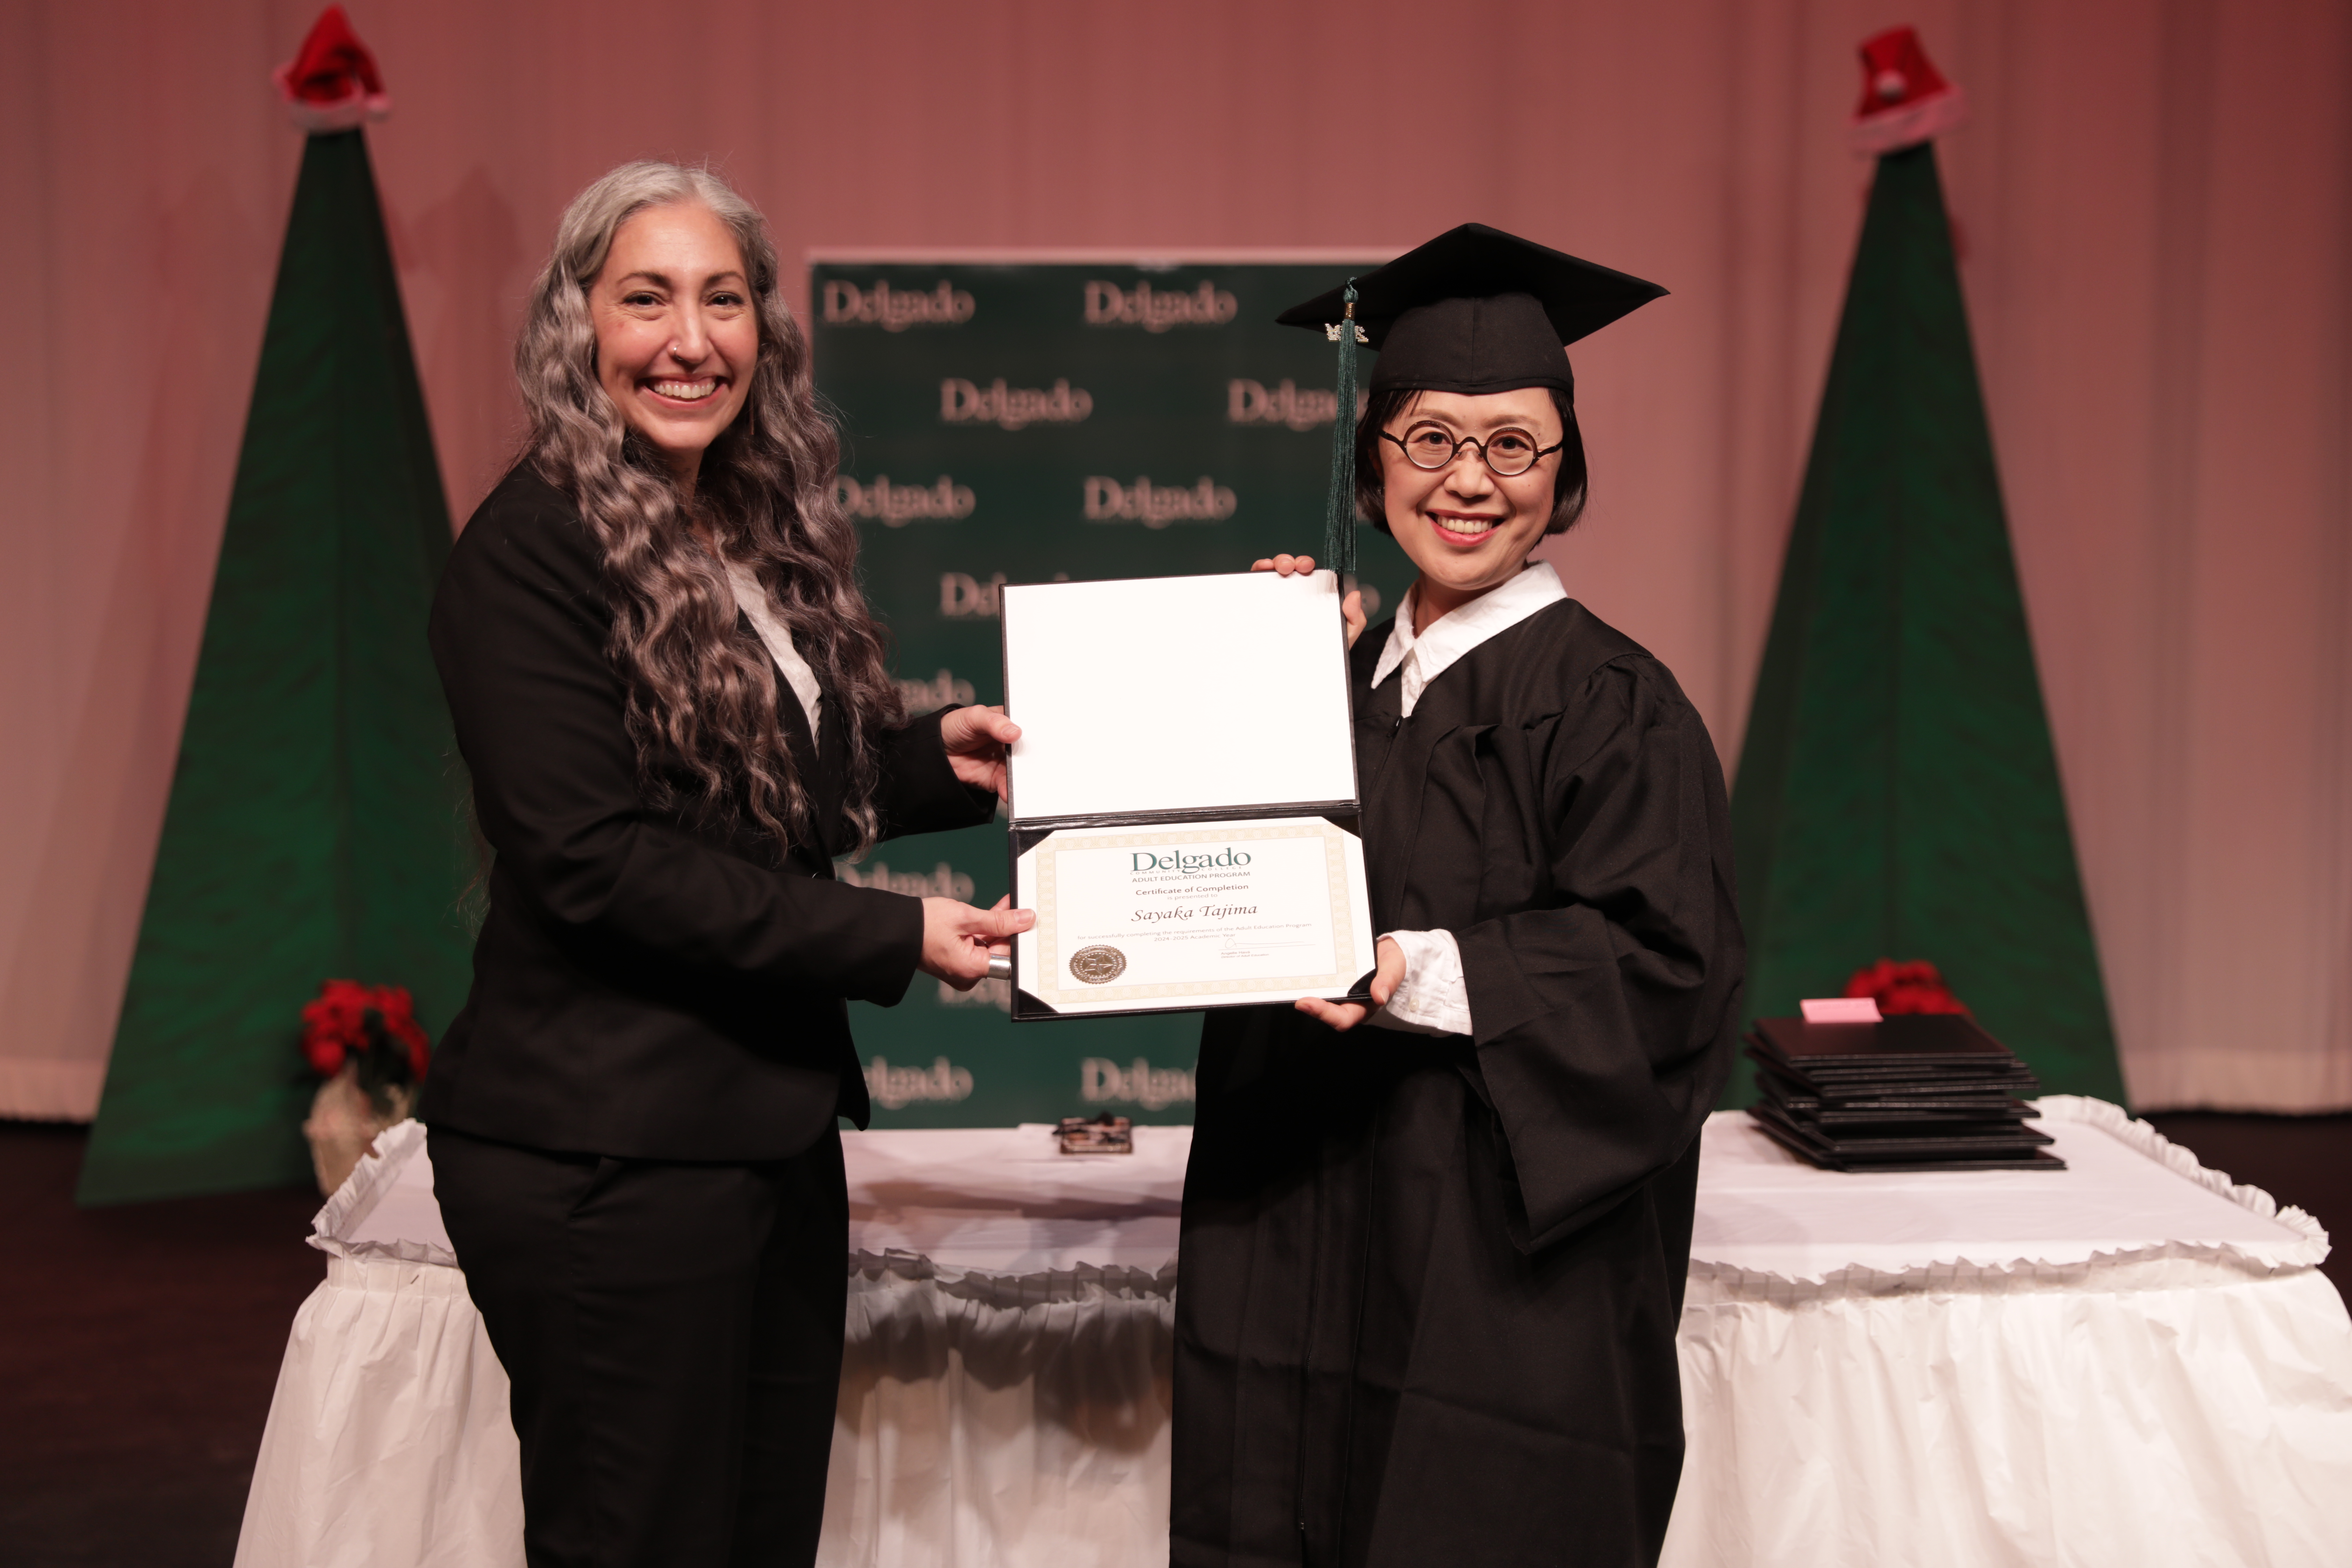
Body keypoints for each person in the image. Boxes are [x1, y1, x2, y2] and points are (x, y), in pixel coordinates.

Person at [420, 161, 1030, 1568]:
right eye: (646, 298)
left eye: (724, 298)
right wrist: (892, 936)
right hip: (605, 1153)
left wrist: (948, 759)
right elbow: (601, 865)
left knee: (755, 1540)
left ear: (766, 330)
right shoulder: (528, 556)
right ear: (576, 325)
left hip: (756, 1129)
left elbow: (763, 788)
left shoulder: (733, 531)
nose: (689, 339)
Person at [1170, 225, 1745, 1567]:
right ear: (1373, 460)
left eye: (1513, 445)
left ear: (1568, 469)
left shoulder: (1614, 706)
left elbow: (1670, 977)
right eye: (1429, 439)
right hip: (1302, 1240)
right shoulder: (1335, 685)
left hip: (1496, 1290)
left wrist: (1416, 975)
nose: (1469, 481)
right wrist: (1250, 682)